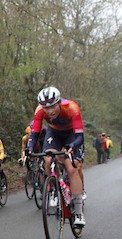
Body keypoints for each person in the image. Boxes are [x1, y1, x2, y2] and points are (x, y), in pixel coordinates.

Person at [25, 86, 86, 227]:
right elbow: (34, 133)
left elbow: (80, 137)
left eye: (52, 106)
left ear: (59, 102)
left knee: (72, 169)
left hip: (72, 134)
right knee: (47, 159)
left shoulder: (72, 108)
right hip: (54, 133)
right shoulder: (39, 111)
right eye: (46, 108)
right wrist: (29, 150)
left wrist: (71, 147)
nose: (50, 111)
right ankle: (53, 189)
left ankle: (78, 212)